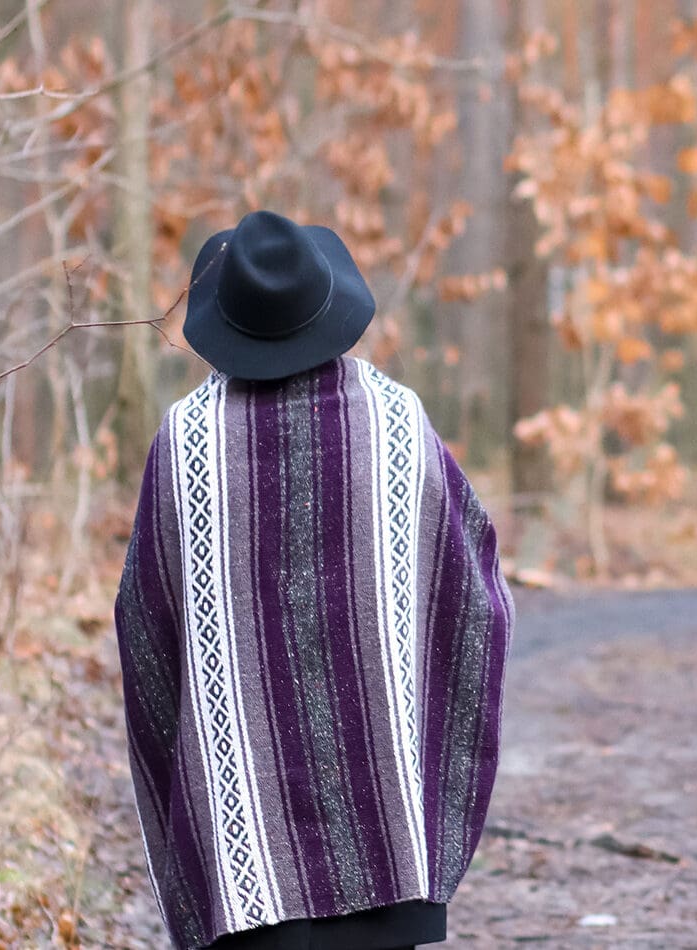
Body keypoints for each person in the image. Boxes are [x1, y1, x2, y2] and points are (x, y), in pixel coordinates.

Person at [113, 209, 516, 950]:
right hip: (387, 834)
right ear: (329, 307)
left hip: (241, 858)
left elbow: (144, 622)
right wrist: (427, 732)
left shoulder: (186, 442)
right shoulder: (395, 420)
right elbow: (472, 592)